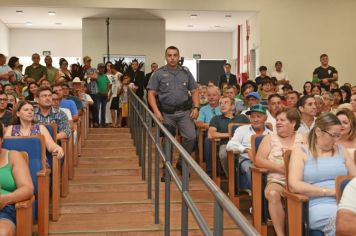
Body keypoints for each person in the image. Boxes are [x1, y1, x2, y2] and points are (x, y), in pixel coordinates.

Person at [288, 113, 356, 235]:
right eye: (333, 135)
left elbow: (354, 178)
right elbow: (294, 185)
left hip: (345, 201)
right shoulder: (300, 151)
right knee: (345, 224)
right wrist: (330, 192)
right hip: (319, 204)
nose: (336, 140)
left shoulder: (342, 150)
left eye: (338, 135)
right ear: (318, 131)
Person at [147, 46, 199, 173]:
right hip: (167, 113)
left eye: (175, 55)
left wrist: (196, 107)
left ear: (178, 56)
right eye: (169, 55)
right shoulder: (158, 73)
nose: (172, 58)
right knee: (167, 140)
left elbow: (194, 90)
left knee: (191, 137)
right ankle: (167, 166)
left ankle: (182, 162)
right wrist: (156, 112)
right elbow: (151, 94)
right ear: (166, 57)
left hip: (184, 112)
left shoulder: (186, 72)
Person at [255, 107, 305, 236]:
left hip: (301, 180)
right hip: (277, 180)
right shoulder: (269, 138)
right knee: (272, 194)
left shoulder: (303, 138)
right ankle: (280, 234)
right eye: (277, 120)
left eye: (282, 120)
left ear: (293, 123)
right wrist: (281, 169)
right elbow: (259, 160)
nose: (278, 122)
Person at [0, 123, 34, 236]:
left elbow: (27, 188)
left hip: (4, 209)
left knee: (3, 232)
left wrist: (5, 199)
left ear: (1, 140)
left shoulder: (13, 156)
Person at [226, 104, 271, 188]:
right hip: (247, 159)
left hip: (266, 160)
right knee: (251, 169)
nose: (255, 119)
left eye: (258, 116)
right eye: (253, 117)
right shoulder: (242, 130)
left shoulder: (270, 134)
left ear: (265, 118)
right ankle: (259, 198)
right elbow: (230, 145)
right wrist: (246, 150)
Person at [208, 96, 250, 177]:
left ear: (232, 106)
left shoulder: (242, 117)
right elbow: (211, 134)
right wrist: (230, 135)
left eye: (226, 103)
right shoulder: (216, 118)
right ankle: (232, 178)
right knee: (223, 154)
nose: (222, 105)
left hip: (243, 144)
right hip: (226, 144)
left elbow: (250, 131)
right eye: (220, 103)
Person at [196, 86, 221, 176]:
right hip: (209, 133)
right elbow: (199, 123)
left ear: (219, 96)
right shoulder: (203, 109)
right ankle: (210, 170)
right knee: (208, 140)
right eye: (209, 95)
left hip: (223, 133)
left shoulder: (223, 106)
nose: (211, 97)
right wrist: (213, 126)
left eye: (214, 95)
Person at [96, 63, 111, 127]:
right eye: (101, 68)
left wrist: (107, 92)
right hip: (98, 95)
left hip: (105, 95)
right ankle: (97, 123)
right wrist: (100, 91)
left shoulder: (105, 76)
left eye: (103, 68)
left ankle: (103, 123)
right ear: (98, 69)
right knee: (97, 109)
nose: (102, 69)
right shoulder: (96, 76)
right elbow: (95, 86)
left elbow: (109, 84)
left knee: (103, 109)